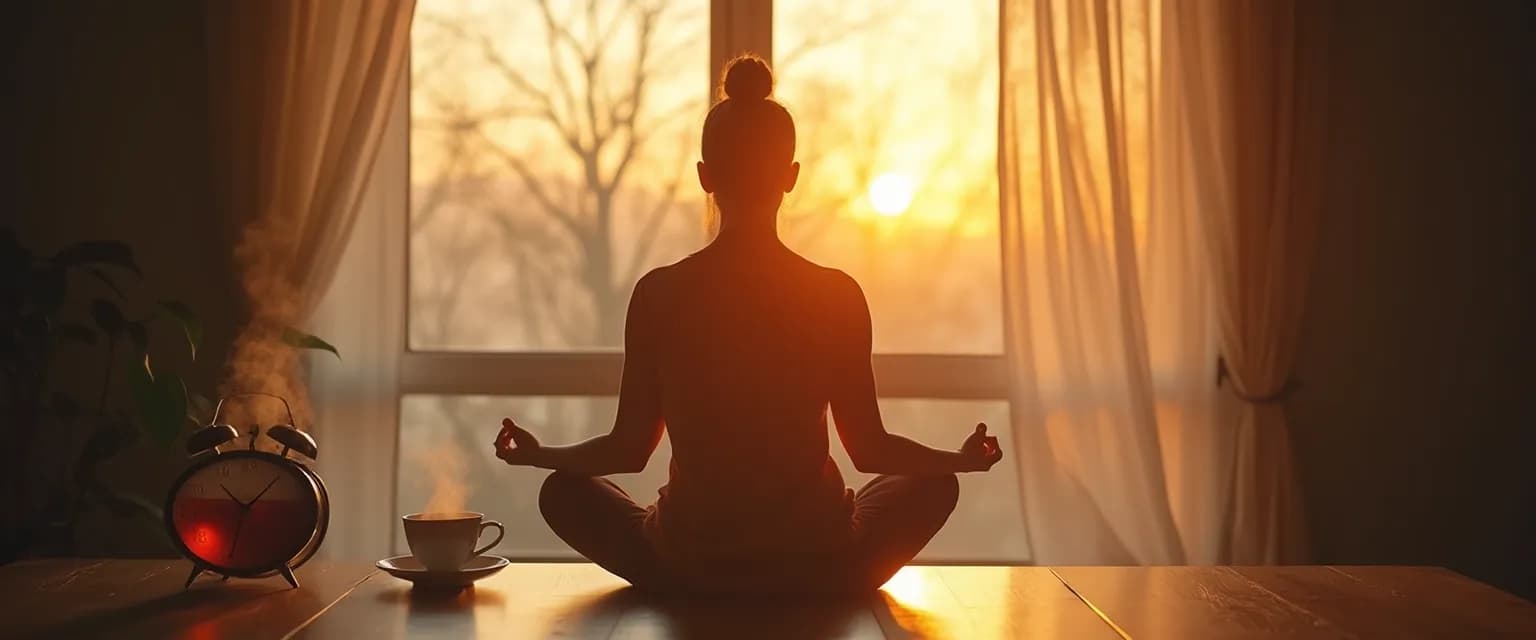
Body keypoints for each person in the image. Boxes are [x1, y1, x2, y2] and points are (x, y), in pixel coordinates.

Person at [492, 54, 1003, 595]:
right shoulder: (834, 294)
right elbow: (870, 449)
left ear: (705, 178)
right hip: (819, 560)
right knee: (933, 485)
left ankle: (704, 576)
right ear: (790, 177)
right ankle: (807, 579)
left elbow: (628, 449)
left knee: (561, 493)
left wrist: (541, 455)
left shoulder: (660, 293)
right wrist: (958, 462)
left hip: (689, 561)